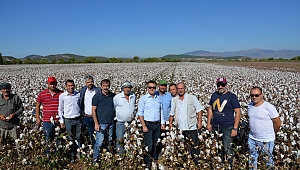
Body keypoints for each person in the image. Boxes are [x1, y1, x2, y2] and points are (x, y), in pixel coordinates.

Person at [206, 77, 241, 167]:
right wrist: (208, 123)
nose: (220, 87)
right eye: (219, 85)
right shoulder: (214, 95)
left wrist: (235, 128)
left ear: (226, 85)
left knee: (227, 148)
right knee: (217, 148)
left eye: (222, 85)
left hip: (227, 127)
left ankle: (229, 166)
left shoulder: (232, 97)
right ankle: (219, 164)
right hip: (215, 126)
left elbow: (237, 113)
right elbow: (210, 109)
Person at [169, 82, 204, 165]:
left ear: (185, 89)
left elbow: (199, 110)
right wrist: (170, 123)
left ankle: (197, 163)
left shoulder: (192, 98)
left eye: (182, 88)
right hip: (180, 128)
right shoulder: (174, 100)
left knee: (194, 147)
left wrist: (199, 122)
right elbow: (172, 113)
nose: (180, 90)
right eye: (179, 88)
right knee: (182, 148)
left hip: (191, 127)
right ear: (177, 90)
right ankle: (184, 164)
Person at [247, 86, 281, 169]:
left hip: (266, 140)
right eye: (252, 95)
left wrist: (273, 133)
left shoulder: (269, 107)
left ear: (262, 95)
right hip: (252, 138)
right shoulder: (250, 106)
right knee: (252, 160)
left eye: (256, 95)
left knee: (268, 161)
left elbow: (277, 122)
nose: (254, 97)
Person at [137, 80, 164, 168]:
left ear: (156, 88)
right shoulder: (143, 99)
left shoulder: (158, 98)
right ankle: (148, 162)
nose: (152, 89)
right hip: (148, 125)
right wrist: (143, 125)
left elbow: (161, 111)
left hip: (157, 124)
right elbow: (140, 113)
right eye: (150, 87)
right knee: (149, 145)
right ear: (147, 88)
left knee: (156, 144)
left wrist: (162, 123)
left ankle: (154, 161)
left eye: (153, 87)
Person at [92, 79, 116, 163]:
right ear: (101, 86)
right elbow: (93, 110)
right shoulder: (97, 96)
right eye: (104, 86)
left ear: (109, 86)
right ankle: (95, 160)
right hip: (101, 123)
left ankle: (108, 158)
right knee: (99, 142)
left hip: (111, 122)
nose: (106, 88)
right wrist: (96, 123)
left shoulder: (113, 96)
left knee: (109, 140)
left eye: (107, 86)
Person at [58, 79, 82, 163]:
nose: (71, 87)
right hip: (68, 120)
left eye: (72, 85)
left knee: (78, 137)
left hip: (78, 119)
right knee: (70, 138)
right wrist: (61, 121)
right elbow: (60, 109)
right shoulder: (62, 96)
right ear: (66, 86)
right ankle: (72, 155)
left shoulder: (78, 95)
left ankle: (79, 154)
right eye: (69, 85)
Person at [36, 76, 63, 141]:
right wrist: (37, 117)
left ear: (56, 84)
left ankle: (57, 151)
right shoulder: (42, 94)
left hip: (58, 121)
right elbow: (37, 105)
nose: (52, 85)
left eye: (54, 84)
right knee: (48, 139)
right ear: (47, 84)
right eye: (51, 84)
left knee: (58, 139)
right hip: (46, 121)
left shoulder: (61, 94)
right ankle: (48, 151)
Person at [113, 81, 136, 155]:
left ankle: (129, 156)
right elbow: (114, 108)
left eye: (129, 87)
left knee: (130, 140)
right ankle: (120, 157)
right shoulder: (117, 97)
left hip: (131, 123)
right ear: (122, 89)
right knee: (120, 140)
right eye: (125, 87)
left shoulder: (133, 96)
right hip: (120, 123)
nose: (127, 89)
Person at [79, 75, 101, 145]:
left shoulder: (98, 90)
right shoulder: (83, 90)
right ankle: (92, 148)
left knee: (98, 134)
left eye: (91, 81)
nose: (90, 83)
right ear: (85, 83)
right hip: (87, 117)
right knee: (90, 134)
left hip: (96, 117)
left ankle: (97, 150)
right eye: (88, 82)